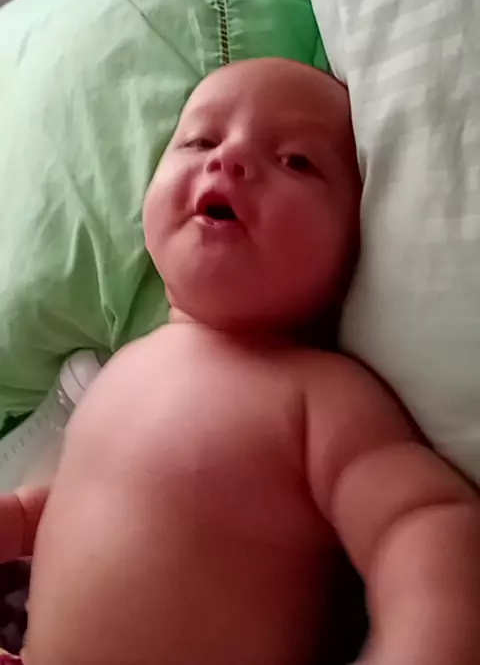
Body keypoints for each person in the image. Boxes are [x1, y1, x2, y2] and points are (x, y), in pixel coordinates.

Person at [0, 58, 479, 665]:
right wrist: (22, 518)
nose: (228, 158)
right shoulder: (127, 363)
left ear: (357, 235)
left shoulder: (319, 395)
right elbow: (105, 501)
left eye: (296, 161)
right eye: (200, 141)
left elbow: (418, 519)